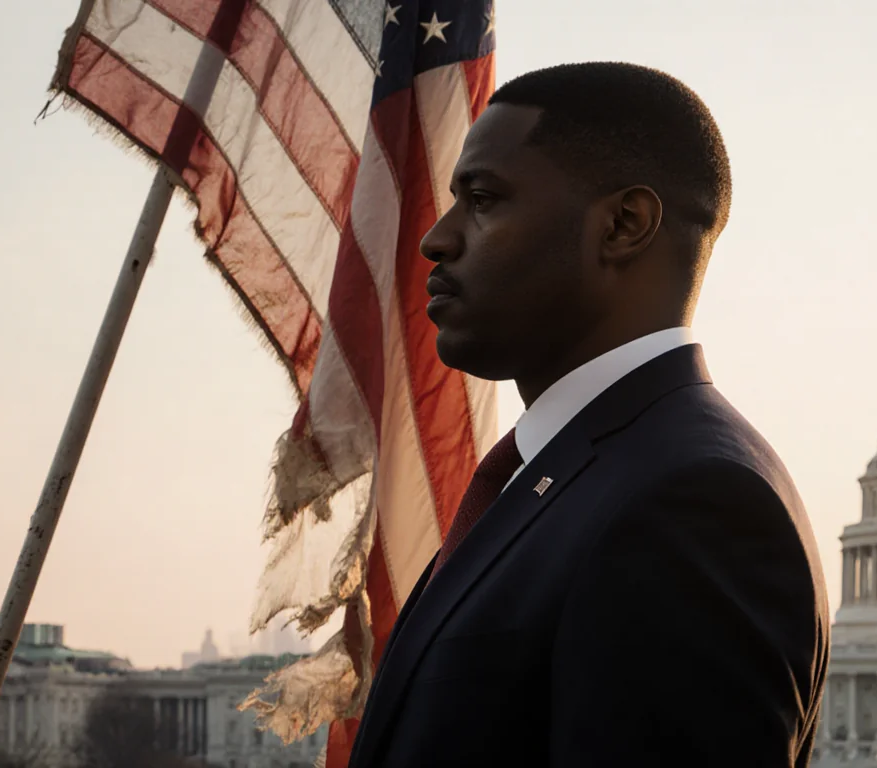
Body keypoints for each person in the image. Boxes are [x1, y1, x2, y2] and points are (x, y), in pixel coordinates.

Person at [347, 62, 830, 768]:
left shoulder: (691, 504)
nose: (436, 239)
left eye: (482, 198)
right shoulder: (569, 480)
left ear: (624, 225)